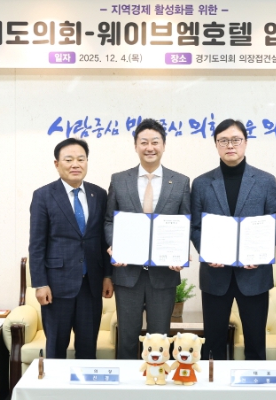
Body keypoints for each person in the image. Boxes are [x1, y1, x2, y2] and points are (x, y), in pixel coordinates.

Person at [190, 118, 276, 360]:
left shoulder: (265, 181)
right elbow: (195, 226)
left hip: (254, 274)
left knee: (255, 342)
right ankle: (214, 383)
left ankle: (255, 384)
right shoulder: (201, 183)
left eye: (235, 140)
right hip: (215, 275)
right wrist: (207, 252)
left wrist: (261, 253)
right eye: (223, 141)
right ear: (216, 145)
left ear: (245, 142)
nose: (230, 145)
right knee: (213, 343)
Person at [104, 118, 190, 359]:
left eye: (155, 142)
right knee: (127, 339)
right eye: (144, 142)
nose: (149, 147)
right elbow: (109, 220)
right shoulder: (119, 179)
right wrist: (113, 245)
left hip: (163, 274)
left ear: (163, 145)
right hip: (127, 273)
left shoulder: (181, 182)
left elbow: (185, 223)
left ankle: (158, 380)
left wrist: (180, 254)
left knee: (159, 341)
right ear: (135, 146)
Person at [28, 138, 113, 359]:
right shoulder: (43, 195)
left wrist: (107, 275)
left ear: (87, 162)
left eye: (81, 159)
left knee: (88, 348)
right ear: (57, 164)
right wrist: (40, 284)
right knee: (56, 348)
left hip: (91, 285)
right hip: (56, 287)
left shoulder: (99, 194)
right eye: (69, 159)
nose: (75, 164)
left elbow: (104, 241)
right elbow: (37, 245)